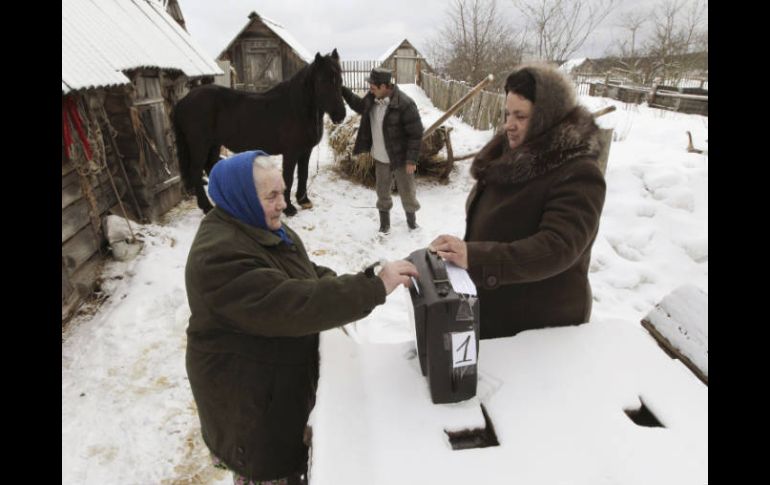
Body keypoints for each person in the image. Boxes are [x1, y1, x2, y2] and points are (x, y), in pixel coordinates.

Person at [184, 150, 418, 485]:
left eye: (282, 192)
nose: (283, 203)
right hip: (250, 401)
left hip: (272, 381)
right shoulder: (218, 257)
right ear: (242, 197)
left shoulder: (256, 225)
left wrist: (357, 281)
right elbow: (293, 304)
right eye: (271, 196)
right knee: (268, 472)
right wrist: (372, 289)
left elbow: (303, 273)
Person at [429, 63, 607, 340]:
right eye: (507, 114)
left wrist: (475, 256)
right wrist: (465, 252)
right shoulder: (511, 157)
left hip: (542, 327)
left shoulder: (579, 173)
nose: (508, 125)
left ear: (546, 118)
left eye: (521, 116)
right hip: (501, 311)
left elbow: (558, 246)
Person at [341, 67, 424, 233]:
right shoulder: (372, 99)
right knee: (382, 191)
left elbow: (416, 133)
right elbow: (359, 105)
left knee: (407, 191)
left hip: (400, 158)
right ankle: (384, 224)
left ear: (385, 86)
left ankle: (412, 223)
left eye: (373, 86)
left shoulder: (404, 103)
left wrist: (411, 160)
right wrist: (342, 89)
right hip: (380, 156)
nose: (370, 89)